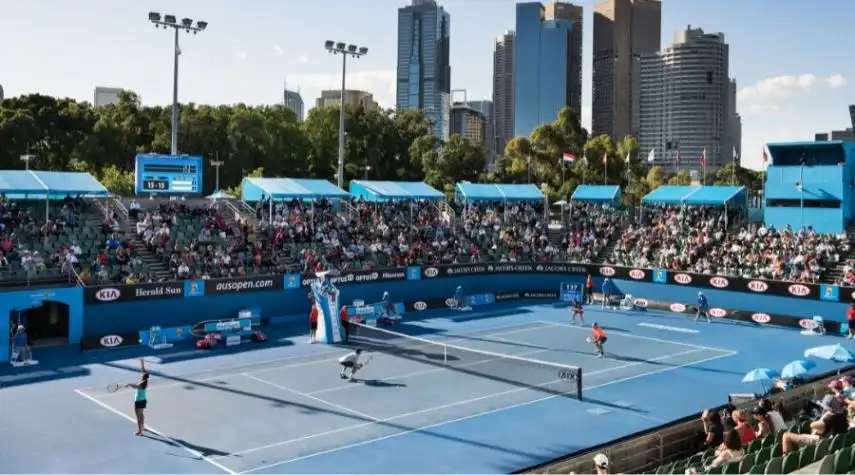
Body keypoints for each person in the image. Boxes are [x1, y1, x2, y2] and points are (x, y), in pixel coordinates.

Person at [125, 358, 150, 436]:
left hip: (138, 401)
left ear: (143, 376)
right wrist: (142, 362)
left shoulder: (141, 384)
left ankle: (140, 431)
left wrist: (129, 384)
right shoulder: (145, 381)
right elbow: (143, 370)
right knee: (141, 414)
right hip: (143, 400)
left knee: (138, 416)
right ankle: (143, 426)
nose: (141, 373)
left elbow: (135, 386)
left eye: (142, 374)